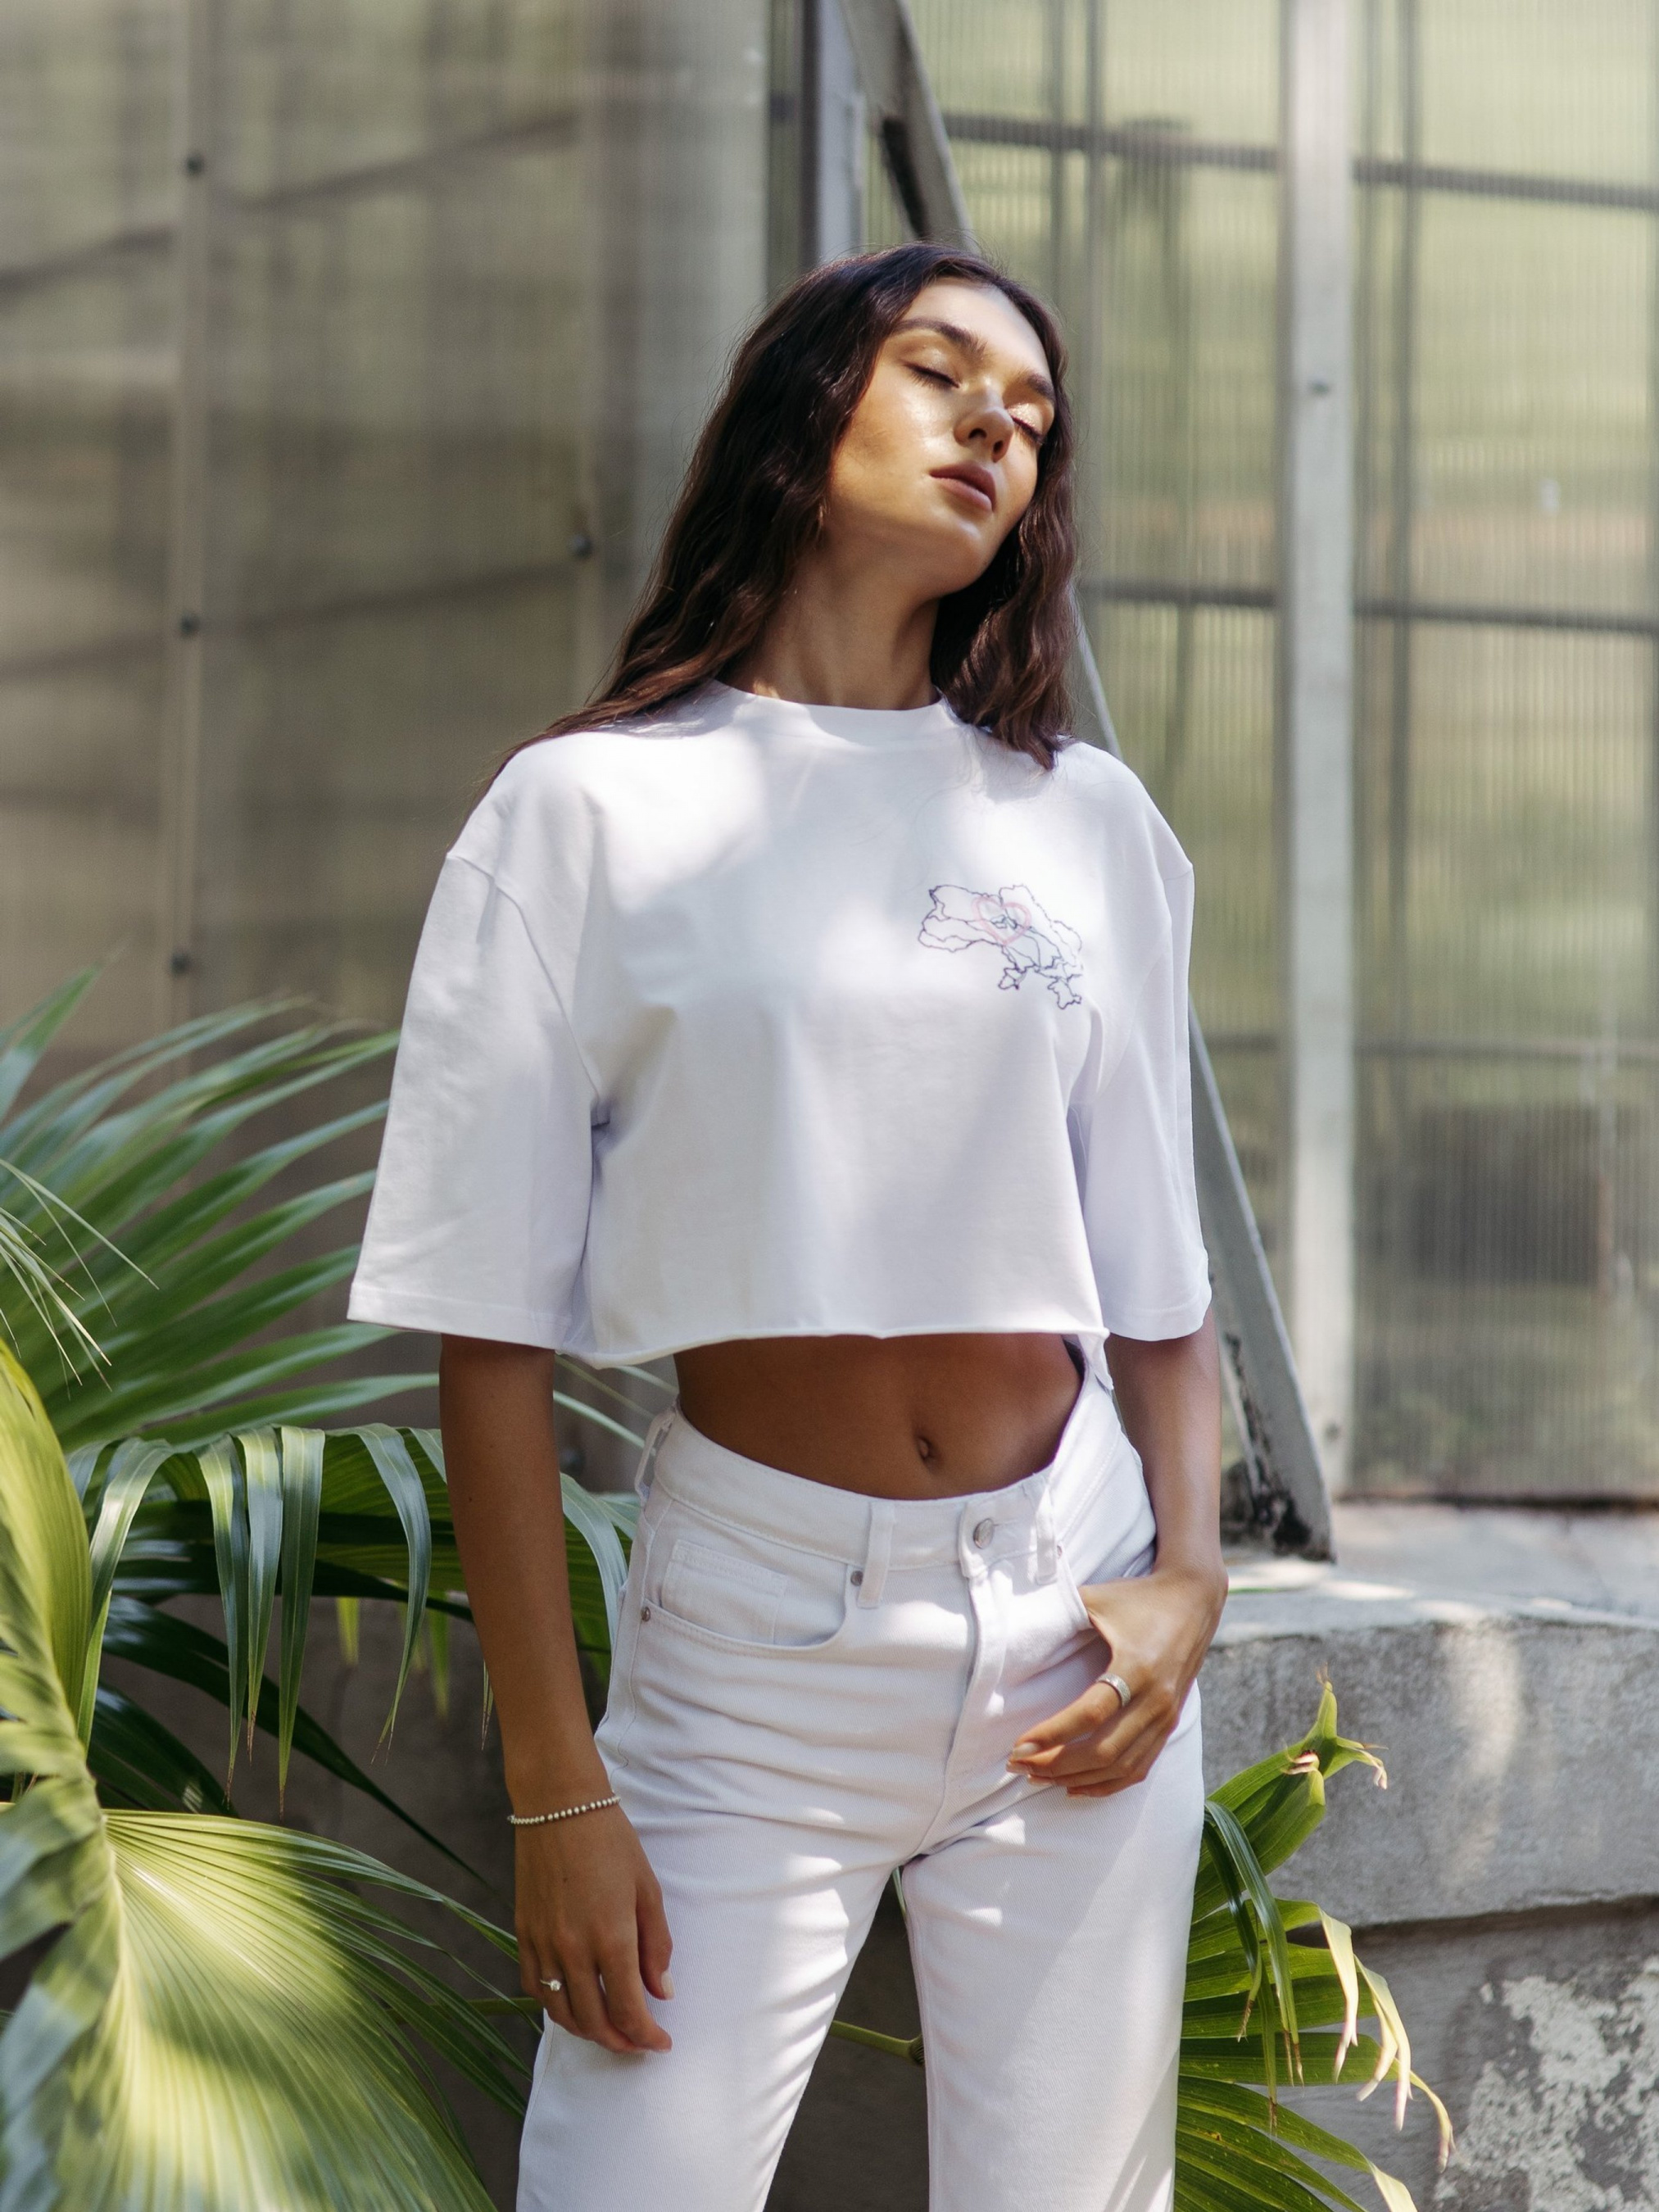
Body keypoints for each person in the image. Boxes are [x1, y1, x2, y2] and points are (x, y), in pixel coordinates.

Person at [349, 241, 1226, 2212]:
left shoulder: (1082, 822)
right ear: (800, 408)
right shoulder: (582, 816)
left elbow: (1154, 1275)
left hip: (1072, 1623)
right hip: (752, 1648)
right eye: (938, 372)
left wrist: (1189, 1576)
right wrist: (555, 1790)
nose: (994, 425)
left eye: (1031, 415)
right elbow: (485, 1335)